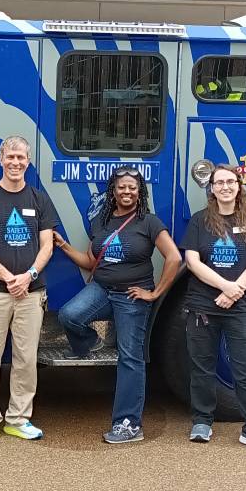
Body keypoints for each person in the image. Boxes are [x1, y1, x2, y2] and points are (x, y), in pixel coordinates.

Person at [54, 167, 181, 443]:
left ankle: (129, 424)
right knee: (69, 315)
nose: (127, 192)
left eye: (132, 188)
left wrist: (155, 292)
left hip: (132, 297)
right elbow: (90, 261)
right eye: (122, 187)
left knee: (130, 358)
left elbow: (173, 258)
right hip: (101, 289)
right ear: (113, 190)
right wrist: (64, 246)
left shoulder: (149, 222)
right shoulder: (102, 221)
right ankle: (90, 344)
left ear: (139, 192)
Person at [0, 135, 56, 443]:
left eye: (21, 158)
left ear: (28, 162)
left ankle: (18, 418)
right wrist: (9, 277)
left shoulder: (39, 199)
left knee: (25, 358)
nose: (15, 163)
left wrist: (28, 275)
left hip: (31, 294)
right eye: (10, 157)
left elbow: (47, 246)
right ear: (1, 160)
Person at [180, 164, 246, 452]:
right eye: (219, 183)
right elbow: (193, 262)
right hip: (203, 306)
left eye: (230, 182)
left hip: (240, 306)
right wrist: (225, 287)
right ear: (211, 189)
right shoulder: (199, 221)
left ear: (239, 186)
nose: (224, 187)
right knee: (202, 367)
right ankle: (202, 422)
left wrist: (235, 291)